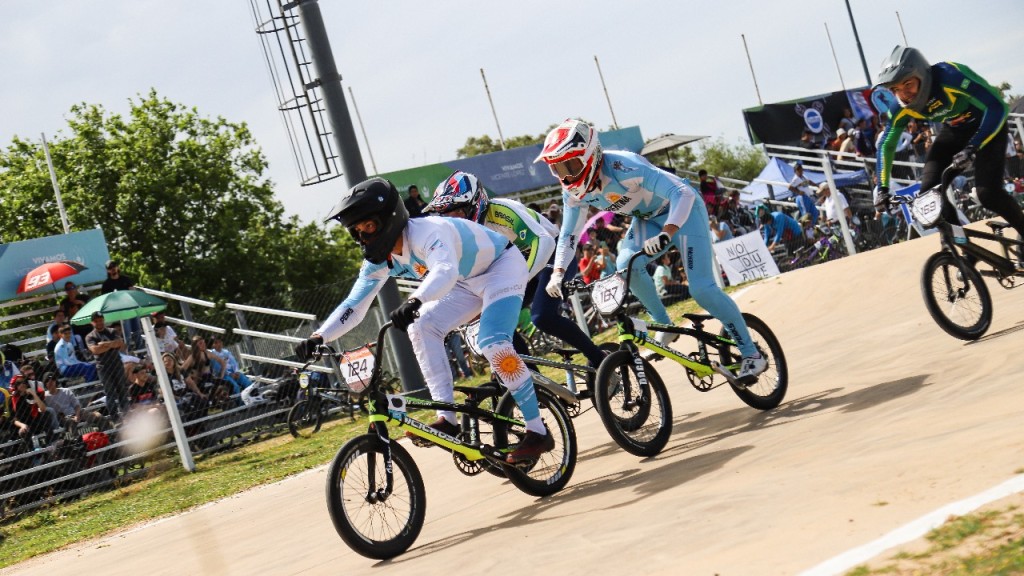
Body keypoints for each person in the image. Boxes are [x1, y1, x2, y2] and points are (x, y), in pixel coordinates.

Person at [295, 177, 554, 463]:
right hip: (465, 283)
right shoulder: (378, 261)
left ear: (388, 218)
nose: (364, 237)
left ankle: (537, 431)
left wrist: (416, 300)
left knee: (492, 343)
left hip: (501, 267)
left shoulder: (428, 231)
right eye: (357, 231)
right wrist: (320, 336)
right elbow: (354, 305)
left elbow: (444, 271)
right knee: (421, 327)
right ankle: (448, 418)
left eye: (368, 226)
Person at [536, 118, 767, 383]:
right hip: (647, 219)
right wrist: (557, 274)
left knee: (702, 289)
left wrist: (668, 231)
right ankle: (664, 323)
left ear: (589, 156)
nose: (565, 176)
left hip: (683, 211)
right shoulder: (574, 192)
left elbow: (683, 193)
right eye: (557, 169)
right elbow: (568, 235)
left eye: (570, 165)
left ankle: (751, 353)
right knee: (624, 266)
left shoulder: (624, 166)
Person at [424, 170, 607, 372]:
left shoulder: (502, 209)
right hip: (521, 268)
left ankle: (598, 358)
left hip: (553, 254)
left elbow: (543, 242)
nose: (453, 219)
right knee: (499, 325)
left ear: (475, 203)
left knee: (542, 316)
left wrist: (515, 282)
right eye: (446, 214)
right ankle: (535, 381)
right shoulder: (458, 236)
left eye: (457, 211)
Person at [872, 46, 1024, 246]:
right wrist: (882, 187)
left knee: (987, 194)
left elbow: (997, 106)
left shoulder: (949, 76)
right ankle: (962, 247)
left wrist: (973, 147)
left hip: (987, 126)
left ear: (922, 76)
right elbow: (886, 145)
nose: (904, 94)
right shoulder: (899, 107)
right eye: (895, 90)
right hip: (955, 131)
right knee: (929, 194)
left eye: (908, 84)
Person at [85, 311, 131, 421]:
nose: (99, 322)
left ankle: (127, 416)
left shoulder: (112, 331)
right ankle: (116, 419)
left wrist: (104, 344)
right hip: (103, 367)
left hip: (117, 365)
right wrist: (112, 344)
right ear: (92, 322)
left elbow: (120, 344)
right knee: (110, 393)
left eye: (101, 320)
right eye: (96, 321)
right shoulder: (90, 336)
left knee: (122, 392)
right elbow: (95, 350)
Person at [43, 371, 108, 430]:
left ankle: (109, 434)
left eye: (53, 380)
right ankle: (76, 441)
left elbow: (77, 405)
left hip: (76, 413)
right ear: (45, 383)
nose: (51, 382)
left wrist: (77, 416)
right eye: (48, 381)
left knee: (97, 415)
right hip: (63, 418)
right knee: (70, 423)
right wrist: (71, 418)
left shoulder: (66, 391)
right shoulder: (45, 397)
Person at [10, 374, 61, 446]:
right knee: (23, 431)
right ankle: (35, 454)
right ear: (15, 386)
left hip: (36, 421)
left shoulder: (33, 393)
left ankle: (51, 444)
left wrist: (34, 394)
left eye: (24, 382)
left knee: (46, 414)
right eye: (18, 383)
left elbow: (43, 409)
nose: (22, 384)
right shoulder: (14, 399)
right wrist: (22, 425)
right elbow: (14, 419)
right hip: (24, 424)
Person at [101, 260, 141, 349]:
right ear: (108, 270)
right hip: (119, 311)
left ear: (117, 267)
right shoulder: (106, 284)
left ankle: (141, 351)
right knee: (126, 332)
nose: (113, 269)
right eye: (110, 268)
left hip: (131, 307)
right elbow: (105, 299)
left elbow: (132, 291)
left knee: (137, 330)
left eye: (114, 267)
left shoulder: (125, 279)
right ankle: (128, 351)